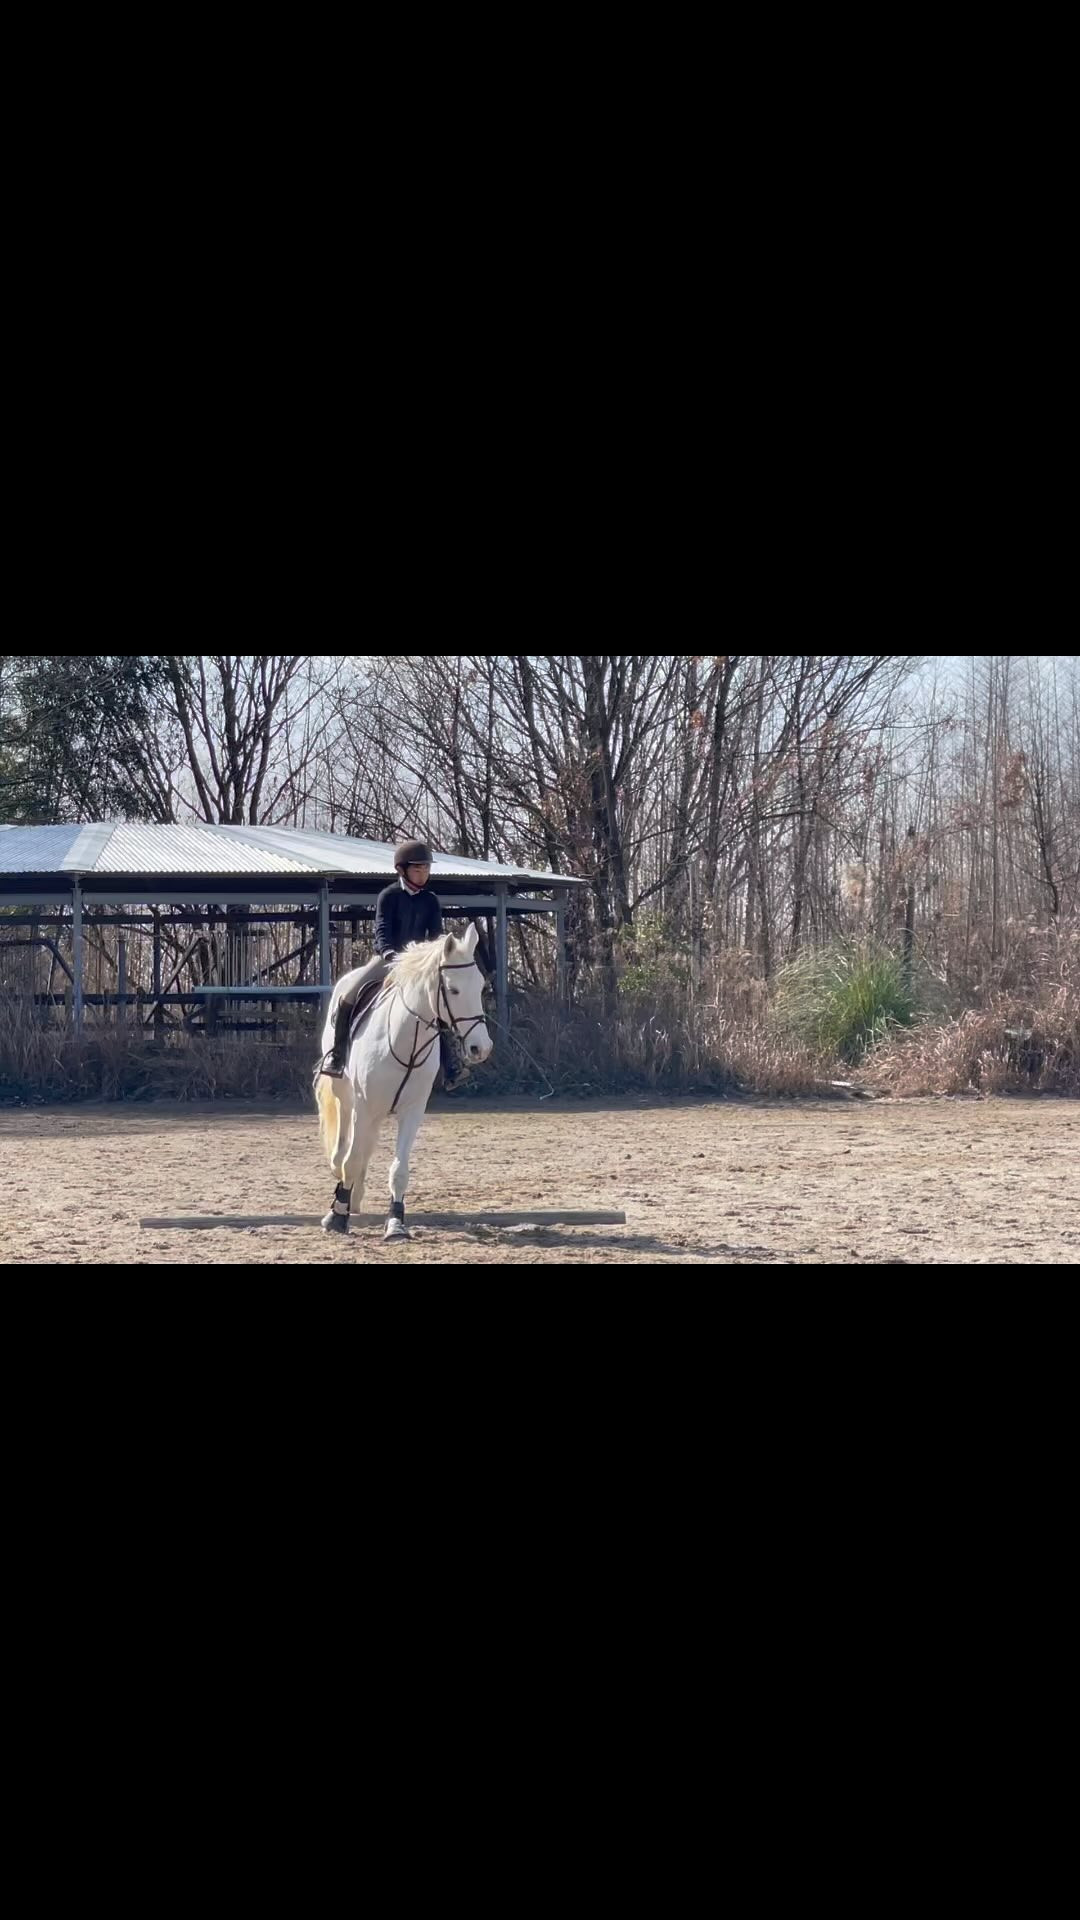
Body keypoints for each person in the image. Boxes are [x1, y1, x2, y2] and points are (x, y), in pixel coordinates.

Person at [316, 840, 462, 1084]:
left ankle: (451, 1064)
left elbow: (437, 936)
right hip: (387, 959)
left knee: (440, 1003)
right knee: (348, 997)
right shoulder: (388, 896)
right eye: (418, 869)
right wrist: (388, 954)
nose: (423, 873)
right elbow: (382, 930)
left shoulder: (431, 900)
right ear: (402, 870)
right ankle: (337, 1056)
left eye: (426, 869)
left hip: (418, 966)